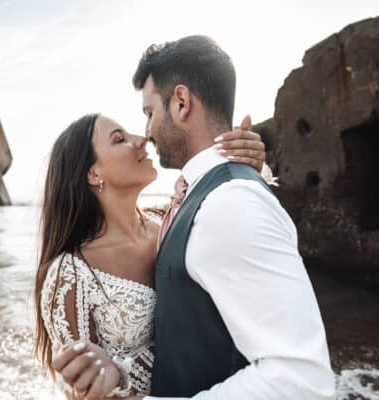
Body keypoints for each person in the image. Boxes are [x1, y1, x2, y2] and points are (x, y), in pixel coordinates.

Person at [53, 35, 335, 399]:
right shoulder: (192, 201)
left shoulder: (230, 204)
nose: (146, 134)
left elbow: (302, 381)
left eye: (150, 113)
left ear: (182, 102)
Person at [34, 110, 269, 399]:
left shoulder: (175, 220)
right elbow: (79, 392)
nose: (142, 138)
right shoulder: (71, 272)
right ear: (94, 174)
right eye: (119, 139)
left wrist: (248, 167)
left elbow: (245, 252)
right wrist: (110, 380)